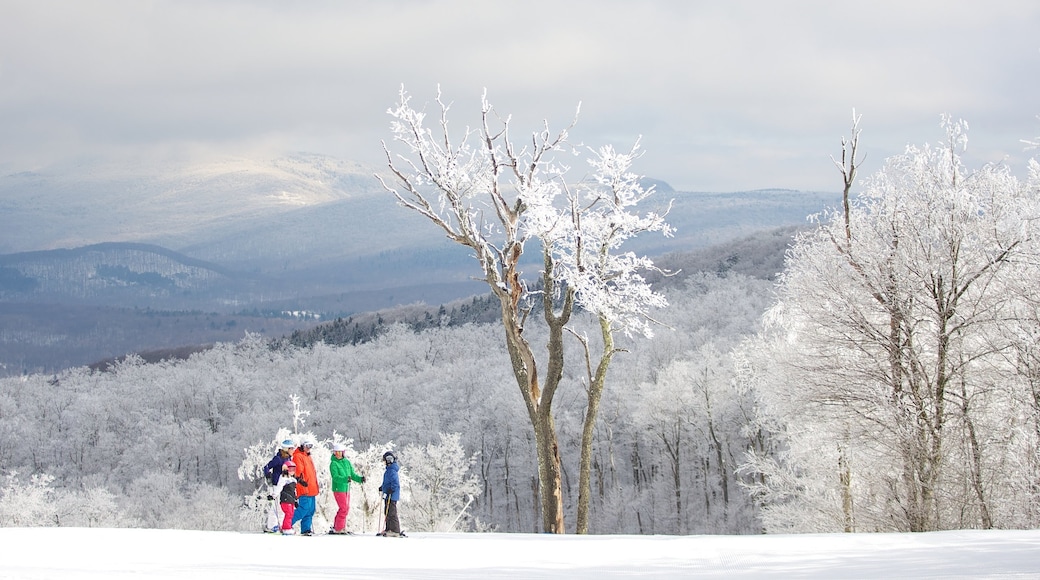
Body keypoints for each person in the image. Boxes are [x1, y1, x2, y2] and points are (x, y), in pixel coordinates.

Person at [329, 442, 365, 535]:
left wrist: (360, 479)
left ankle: (338, 526)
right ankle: (339, 528)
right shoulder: (333, 463)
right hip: (338, 489)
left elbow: (352, 475)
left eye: (340, 452)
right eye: (336, 452)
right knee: (343, 508)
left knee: (346, 508)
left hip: (347, 489)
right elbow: (335, 477)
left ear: (343, 452)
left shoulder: (347, 462)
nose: (338, 454)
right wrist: (345, 479)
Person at [261, 439, 295, 532]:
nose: (293, 450)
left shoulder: (288, 458)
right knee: (275, 506)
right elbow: (267, 467)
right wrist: (268, 475)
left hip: (284, 485)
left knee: (282, 506)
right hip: (276, 485)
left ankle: (279, 525)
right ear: (286, 449)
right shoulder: (278, 459)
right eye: (291, 448)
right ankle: (271, 526)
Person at [290, 438, 318, 535]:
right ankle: (287, 524)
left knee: (311, 510)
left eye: (310, 446)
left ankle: (306, 529)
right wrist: (301, 481)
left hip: (312, 488)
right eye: (307, 446)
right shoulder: (298, 456)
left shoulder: (307, 456)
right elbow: (298, 472)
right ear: (302, 445)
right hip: (304, 487)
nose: (309, 448)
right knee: (304, 508)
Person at [378, 450, 405, 537]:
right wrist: (382, 487)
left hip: (392, 496)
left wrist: (391, 489)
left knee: (392, 513)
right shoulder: (389, 470)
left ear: (389, 460)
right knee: (387, 512)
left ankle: (395, 530)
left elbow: (395, 483)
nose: (384, 462)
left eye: (384, 460)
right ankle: (389, 528)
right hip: (387, 495)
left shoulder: (392, 471)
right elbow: (387, 482)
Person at [275, 460, 299, 535]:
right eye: (290, 469)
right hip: (285, 500)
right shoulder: (283, 479)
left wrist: (295, 500)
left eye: (293, 469)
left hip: (291, 500)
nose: (292, 471)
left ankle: (286, 527)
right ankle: (286, 528)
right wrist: (273, 495)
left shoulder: (293, 480)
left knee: (291, 514)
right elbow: (279, 488)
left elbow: (294, 491)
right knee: (288, 513)